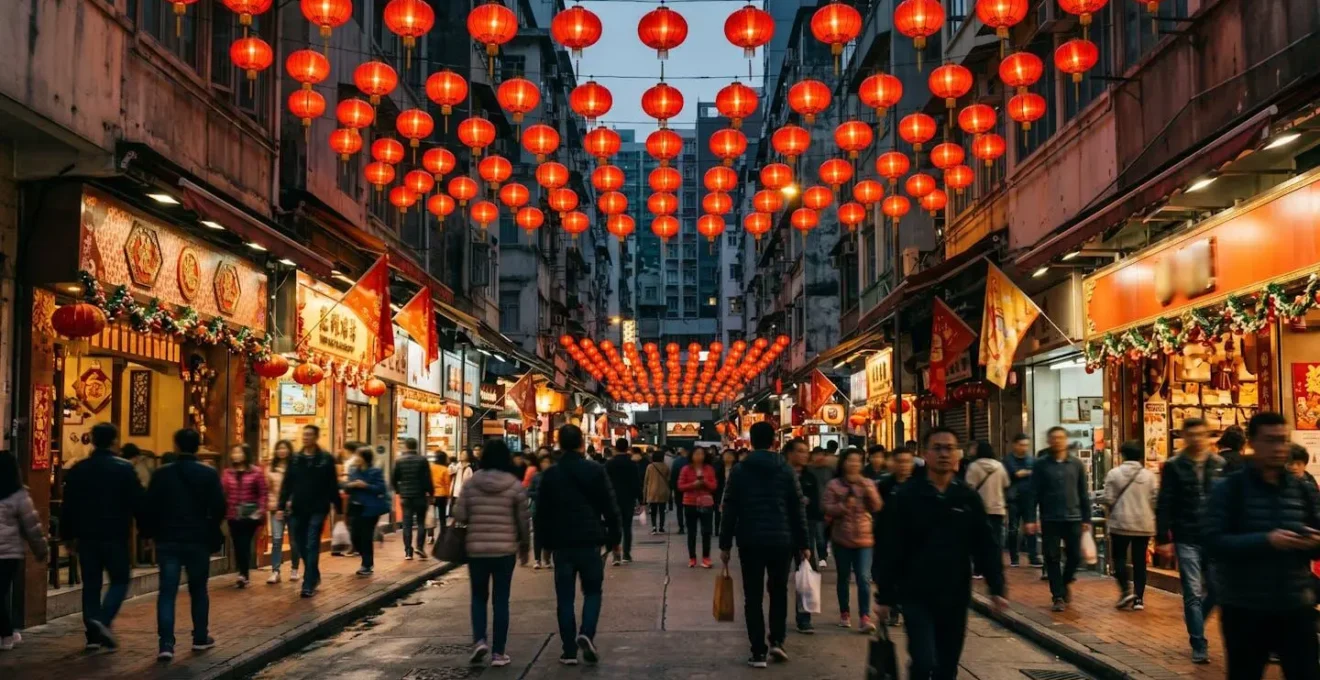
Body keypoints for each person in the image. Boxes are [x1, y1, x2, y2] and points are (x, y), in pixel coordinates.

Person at [874, 427, 1008, 680]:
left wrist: (997, 588)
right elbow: (890, 547)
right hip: (916, 594)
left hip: (955, 594)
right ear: (925, 454)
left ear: (958, 454)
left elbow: (986, 545)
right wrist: (885, 596)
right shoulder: (906, 496)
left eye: (950, 448)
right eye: (937, 448)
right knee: (924, 662)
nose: (944, 454)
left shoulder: (967, 498)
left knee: (947, 666)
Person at [1205, 411, 1320, 680]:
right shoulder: (1229, 489)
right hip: (1245, 607)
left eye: (1283, 440)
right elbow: (1213, 542)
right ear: (1253, 442)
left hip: (1295, 604)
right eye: (1271, 440)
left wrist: (1313, 542)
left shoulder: (1302, 488)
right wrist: (1266, 541)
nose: (1279, 448)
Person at [719, 421, 809, 668]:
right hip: (782, 540)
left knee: (753, 596)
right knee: (779, 592)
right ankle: (777, 641)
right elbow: (797, 507)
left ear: (752, 441)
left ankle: (758, 651)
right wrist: (804, 542)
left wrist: (725, 543)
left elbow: (730, 508)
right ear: (773, 442)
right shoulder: (786, 469)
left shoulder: (740, 470)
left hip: (750, 540)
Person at [533, 425, 621, 665]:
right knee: (593, 592)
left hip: (562, 543)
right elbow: (609, 506)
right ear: (581, 443)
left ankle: (569, 651)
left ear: (559, 444)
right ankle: (586, 633)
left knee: (565, 598)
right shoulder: (595, 470)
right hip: (590, 540)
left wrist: (543, 545)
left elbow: (541, 513)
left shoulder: (550, 474)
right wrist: (615, 538)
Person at [142, 428, 226, 661]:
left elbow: (149, 506)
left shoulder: (162, 474)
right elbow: (219, 506)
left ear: (176, 446)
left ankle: (166, 644)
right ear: (198, 446)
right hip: (197, 539)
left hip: (167, 539)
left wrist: (148, 533)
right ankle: (200, 637)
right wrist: (210, 526)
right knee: (199, 589)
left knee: (167, 592)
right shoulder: (208, 474)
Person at [60, 422, 144, 650]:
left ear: (93, 440)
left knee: (91, 584)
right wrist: (146, 530)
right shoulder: (124, 468)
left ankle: (93, 636)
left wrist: (67, 536)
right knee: (120, 579)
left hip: (86, 536)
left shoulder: (79, 469)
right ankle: (103, 620)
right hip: (115, 534)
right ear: (115, 441)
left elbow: (68, 506)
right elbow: (138, 502)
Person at [453, 440, 530, 668]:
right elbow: (523, 521)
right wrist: (525, 546)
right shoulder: (514, 485)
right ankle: (498, 653)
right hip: (504, 550)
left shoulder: (471, 483)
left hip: (476, 550)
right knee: (501, 600)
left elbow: (460, 515)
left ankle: (479, 641)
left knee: (478, 597)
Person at [1155, 417, 1225, 662]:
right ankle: (1198, 643)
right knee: (1192, 592)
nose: (1196, 439)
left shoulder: (1219, 464)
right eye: (1191, 435)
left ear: (1208, 437)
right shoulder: (1175, 466)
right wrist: (1163, 538)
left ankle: (1194, 616)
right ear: (1184, 437)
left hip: (1213, 538)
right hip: (1186, 536)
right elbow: (1165, 502)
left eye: (1201, 434)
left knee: (1217, 590)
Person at [1026, 426, 1091, 612]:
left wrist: (1086, 518)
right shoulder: (1040, 465)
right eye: (1053, 438)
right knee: (1052, 557)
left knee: (1075, 557)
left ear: (1066, 440)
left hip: (1074, 517)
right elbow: (1033, 493)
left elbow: (1083, 493)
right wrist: (1031, 518)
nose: (1057, 441)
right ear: (1049, 441)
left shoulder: (1076, 464)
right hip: (1050, 518)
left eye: (1061, 438)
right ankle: (1058, 596)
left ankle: (1065, 581)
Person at [823, 448, 882, 632]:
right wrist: (842, 506)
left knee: (864, 578)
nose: (854, 464)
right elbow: (826, 507)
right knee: (844, 577)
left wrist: (868, 491)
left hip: (864, 539)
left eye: (858, 461)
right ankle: (844, 612)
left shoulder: (867, 483)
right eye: (850, 460)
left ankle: (865, 616)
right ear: (843, 463)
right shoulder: (834, 485)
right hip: (842, 538)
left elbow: (877, 506)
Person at [279, 424, 341, 599]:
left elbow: (332, 484)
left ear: (315, 437)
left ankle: (308, 583)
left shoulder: (326, 459)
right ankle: (313, 573)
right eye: (304, 435)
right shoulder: (296, 459)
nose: (305, 437)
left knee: (312, 542)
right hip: (298, 508)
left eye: (309, 435)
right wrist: (281, 505)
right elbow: (287, 484)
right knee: (299, 543)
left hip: (318, 508)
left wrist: (339, 508)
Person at [0, 450, 49, 650]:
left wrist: (39, 549)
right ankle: (7, 633)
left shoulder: (20, 495)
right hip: (11, 555)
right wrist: (41, 550)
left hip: (8, 555)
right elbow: (32, 526)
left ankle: (6, 633)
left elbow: (31, 526)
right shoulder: (20, 495)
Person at [1102, 441, 1157, 610]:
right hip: (1143, 524)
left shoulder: (1114, 473)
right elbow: (1155, 499)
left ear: (1122, 455)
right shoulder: (1149, 476)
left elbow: (1108, 499)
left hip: (1120, 522)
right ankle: (1139, 598)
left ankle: (1126, 590)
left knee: (1119, 558)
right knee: (1140, 561)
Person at [782, 438, 819, 633]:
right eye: (800, 451)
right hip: (783, 530)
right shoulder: (779, 475)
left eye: (806, 451)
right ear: (789, 453)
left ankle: (804, 618)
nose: (805, 455)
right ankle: (778, 618)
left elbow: (816, 505)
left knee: (805, 574)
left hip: (805, 530)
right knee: (779, 576)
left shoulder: (809, 477)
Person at [221, 444, 268, 588]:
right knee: (237, 544)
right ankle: (243, 573)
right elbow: (222, 491)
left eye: (239, 452)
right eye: (234, 452)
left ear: (246, 454)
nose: (236, 455)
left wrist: (260, 510)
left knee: (245, 543)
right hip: (233, 514)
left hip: (250, 515)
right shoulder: (228, 473)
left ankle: (243, 574)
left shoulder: (256, 472)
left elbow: (263, 493)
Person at [964, 440, 1010, 578]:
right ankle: (996, 567)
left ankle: (978, 569)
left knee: (978, 540)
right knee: (995, 540)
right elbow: (1006, 483)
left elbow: (969, 487)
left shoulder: (974, 466)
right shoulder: (999, 466)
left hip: (979, 509)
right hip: (997, 508)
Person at [343, 446, 389, 576]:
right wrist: (350, 485)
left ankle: (367, 564)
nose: (355, 458)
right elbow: (346, 487)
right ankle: (365, 558)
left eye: (358, 456)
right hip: (355, 507)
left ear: (364, 459)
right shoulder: (353, 471)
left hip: (370, 508)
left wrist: (366, 486)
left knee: (366, 536)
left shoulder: (375, 471)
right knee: (355, 536)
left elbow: (381, 488)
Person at [392, 437, 434, 561]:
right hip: (420, 496)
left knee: (407, 524)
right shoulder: (422, 460)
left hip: (405, 496)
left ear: (405, 446)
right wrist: (430, 493)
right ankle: (420, 547)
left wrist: (399, 491)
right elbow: (427, 479)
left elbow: (394, 479)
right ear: (416, 446)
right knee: (421, 522)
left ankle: (408, 552)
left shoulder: (399, 461)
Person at [1003, 433, 1040, 568]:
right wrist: (1028, 472)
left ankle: (1033, 557)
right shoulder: (1008, 460)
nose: (1024, 448)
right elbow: (1016, 474)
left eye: (1026, 445)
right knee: (1013, 529)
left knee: (1031, 528)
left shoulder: (1031, 460)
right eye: (1021, 445)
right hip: (1014, 499)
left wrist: (1026, 472)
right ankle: (1014, 557)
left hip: (1029, 498)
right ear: (1015, 445)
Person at [678, 446, 718, 568]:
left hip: (706, 503)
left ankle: (706, 557)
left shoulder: (709, 469)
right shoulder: (686, 469)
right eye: (696, 454)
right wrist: (693, 484)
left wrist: (704, 482)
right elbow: (680, 486)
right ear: (691, 456)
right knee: (692, 532)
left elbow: (714, 486)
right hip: (690, 503)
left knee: (706, 532)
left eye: (701, 454)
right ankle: (692, 557)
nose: (699, 456)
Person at [265, 440, 299, 584]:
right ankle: (275, 571)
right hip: (276, 509)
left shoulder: (296, 468)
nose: (282, 451)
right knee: (277, 540)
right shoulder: (271, 468)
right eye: (279, 448)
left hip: (294, 509)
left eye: (284, 448)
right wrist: (275, 505)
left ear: (289, 450)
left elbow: (299, 487)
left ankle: (294, 569)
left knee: (294, 541)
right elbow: (268, 490)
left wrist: (293, 501)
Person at [605, 438, 642, 565]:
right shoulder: (632, 464)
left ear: (615, 448)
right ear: (627, 448)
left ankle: (616, 555)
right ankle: (627, 554)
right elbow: (637, 482)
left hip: (612, 499)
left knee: (614, 527)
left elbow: (605, 482)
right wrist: (641, 499)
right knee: (627, 526)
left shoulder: (609, 464)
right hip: (628, 499)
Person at [807, 448, 835, 567]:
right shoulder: (808, 470)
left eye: (821, 455)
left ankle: (822, 556)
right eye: (816, 455)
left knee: (821, 535)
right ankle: (813, 560)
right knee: (813, 535)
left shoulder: (829, 470)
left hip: (826, 507)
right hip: (812, 507)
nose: (819, 457)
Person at [528, 454, 553, 569]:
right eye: (543, 462)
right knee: (537, 535)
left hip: (550, 510)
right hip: (537, 509)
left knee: (549, 534)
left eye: (547, 462)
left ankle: (547, 558)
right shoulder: (536, 477)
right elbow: (529, 491)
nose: (545, 464)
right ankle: (538, 559)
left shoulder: (554, 476)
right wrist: (539, 495)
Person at [643, 451, 671, 534]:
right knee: (662, 511)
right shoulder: (665, 467)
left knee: (653, 511)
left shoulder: (650, 467)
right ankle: (661, 527)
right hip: (663, 491)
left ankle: (654, 527)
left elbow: (646, 480)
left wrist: (644, 494)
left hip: (652, 491)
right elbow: (669, 479)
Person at [714, 448, 737, 535]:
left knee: (731, 513)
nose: (728, 457)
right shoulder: (718, 467)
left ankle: (731, 529)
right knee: (717, 512)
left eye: (730, 456)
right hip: (720, 492)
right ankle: (717, 529)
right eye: (726, 455)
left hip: (731, 492)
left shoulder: (736, 468)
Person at [431, 451, 452, 541]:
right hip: (442, 494)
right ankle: (442, 534)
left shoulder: (431, 467)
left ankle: (430, 535)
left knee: (430, 516)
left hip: (432, 494)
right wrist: (448, 495)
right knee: (442, 516)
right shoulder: (444, 469)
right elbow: (447, 484)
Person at [450, 448, 476, 517]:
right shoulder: (456, 466)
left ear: (468, 456)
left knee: (463, 511)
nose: (462, 455)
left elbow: (471, 482)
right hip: (455, 492)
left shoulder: (469, 468)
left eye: (464, 454)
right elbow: (449, 472)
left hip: (464, 493)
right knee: (455, 511)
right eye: (461, 454)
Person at [670, 448, 690, 535]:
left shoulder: (676, 462)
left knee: (679, 508)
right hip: (689, 488)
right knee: (688, 508)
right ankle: (689, 525)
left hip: (678, 488)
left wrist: (673, 487)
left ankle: (681, 527)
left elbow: (673, 476)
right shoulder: (690, 462)